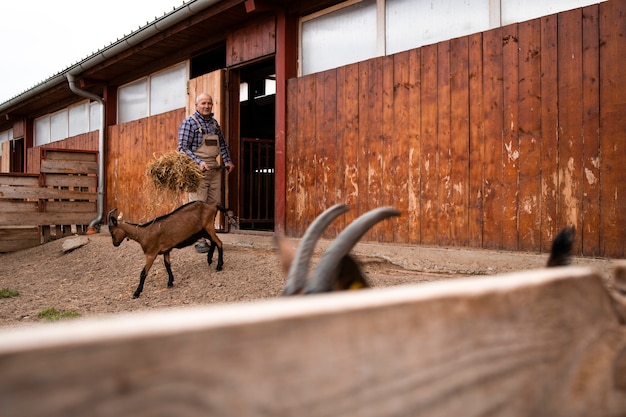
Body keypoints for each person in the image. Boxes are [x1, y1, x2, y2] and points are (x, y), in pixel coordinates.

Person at [178, 93, 235, 253]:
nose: (207, 106)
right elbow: (182, 148)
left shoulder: (214, 124)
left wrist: (228, 160)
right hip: (197, 169)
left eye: (209, 103)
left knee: (212, 205)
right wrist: (199, 162)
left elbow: (222, 145)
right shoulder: (189, 123)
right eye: (203, 103)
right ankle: (199, 239)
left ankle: (209, 235)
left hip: (214, 169)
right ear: (196, 105)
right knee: (198, 205)